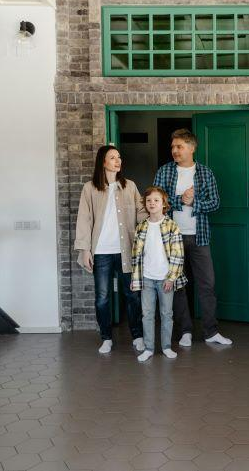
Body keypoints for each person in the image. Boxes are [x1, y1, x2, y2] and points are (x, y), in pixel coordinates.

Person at [153, 128, 232, 347]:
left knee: (207, 285)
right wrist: (180, 200)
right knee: (178, 286)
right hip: (172, 239)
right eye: (173, 147)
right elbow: (156, 201)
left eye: (179, 146)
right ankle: (185, 331)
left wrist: (194, 202)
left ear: (192, 148)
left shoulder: (205, 173)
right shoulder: (164, 171)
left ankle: (211, 332)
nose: (174, 151)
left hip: (199, 237)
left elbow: (215, 203)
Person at [75, 145, 146, 355]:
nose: (118, 161)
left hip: (126, 250)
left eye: (119, 157)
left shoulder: (130, 186)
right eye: (113, 157)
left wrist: (157, 218)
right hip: (101, 251)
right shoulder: (90, 188)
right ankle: (106, 338)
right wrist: (85, 250)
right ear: (103, 162)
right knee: (102, 298)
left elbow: (141, 212)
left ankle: (138, 336)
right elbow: (84, 219)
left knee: (132, 295)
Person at [131, 186, 187, 362]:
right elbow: (136, 255)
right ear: (145, 204)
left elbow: (178, 255)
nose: (152, 203)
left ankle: (166, 347)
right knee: (147, 314)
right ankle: (148, 348)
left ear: (163, 203)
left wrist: (171, 278)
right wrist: (136, 278)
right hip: (147, 278)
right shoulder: (141, 227)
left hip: (165, 279)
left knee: (166, 314)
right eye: (148, 201)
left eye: (156, 200)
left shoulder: (171, 226)